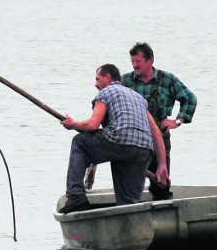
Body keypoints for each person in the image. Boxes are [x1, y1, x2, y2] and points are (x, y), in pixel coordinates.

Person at [58, 64, 169, 213]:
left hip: (119, 139)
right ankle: (130, 225)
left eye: (98, 79)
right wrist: (162, 166)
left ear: (108, 77)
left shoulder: (105, 92)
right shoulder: (139, 98)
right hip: (143, 149)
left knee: (79, 142)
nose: (96, 84)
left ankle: (76, 195)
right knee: (129, 202)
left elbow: (93, 124)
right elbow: (156, 133)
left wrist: (73, 124)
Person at [122, 42, 197, 200]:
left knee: (161, 186)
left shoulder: (166, 80)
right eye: (132, 62)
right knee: (129, 186)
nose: (135, 65)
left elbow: (190, 99)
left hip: (160, 143)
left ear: (150, 61)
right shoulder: (125, 81)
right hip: (133, 141)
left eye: (138, 61)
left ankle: (162, 214)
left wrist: (177, 121)